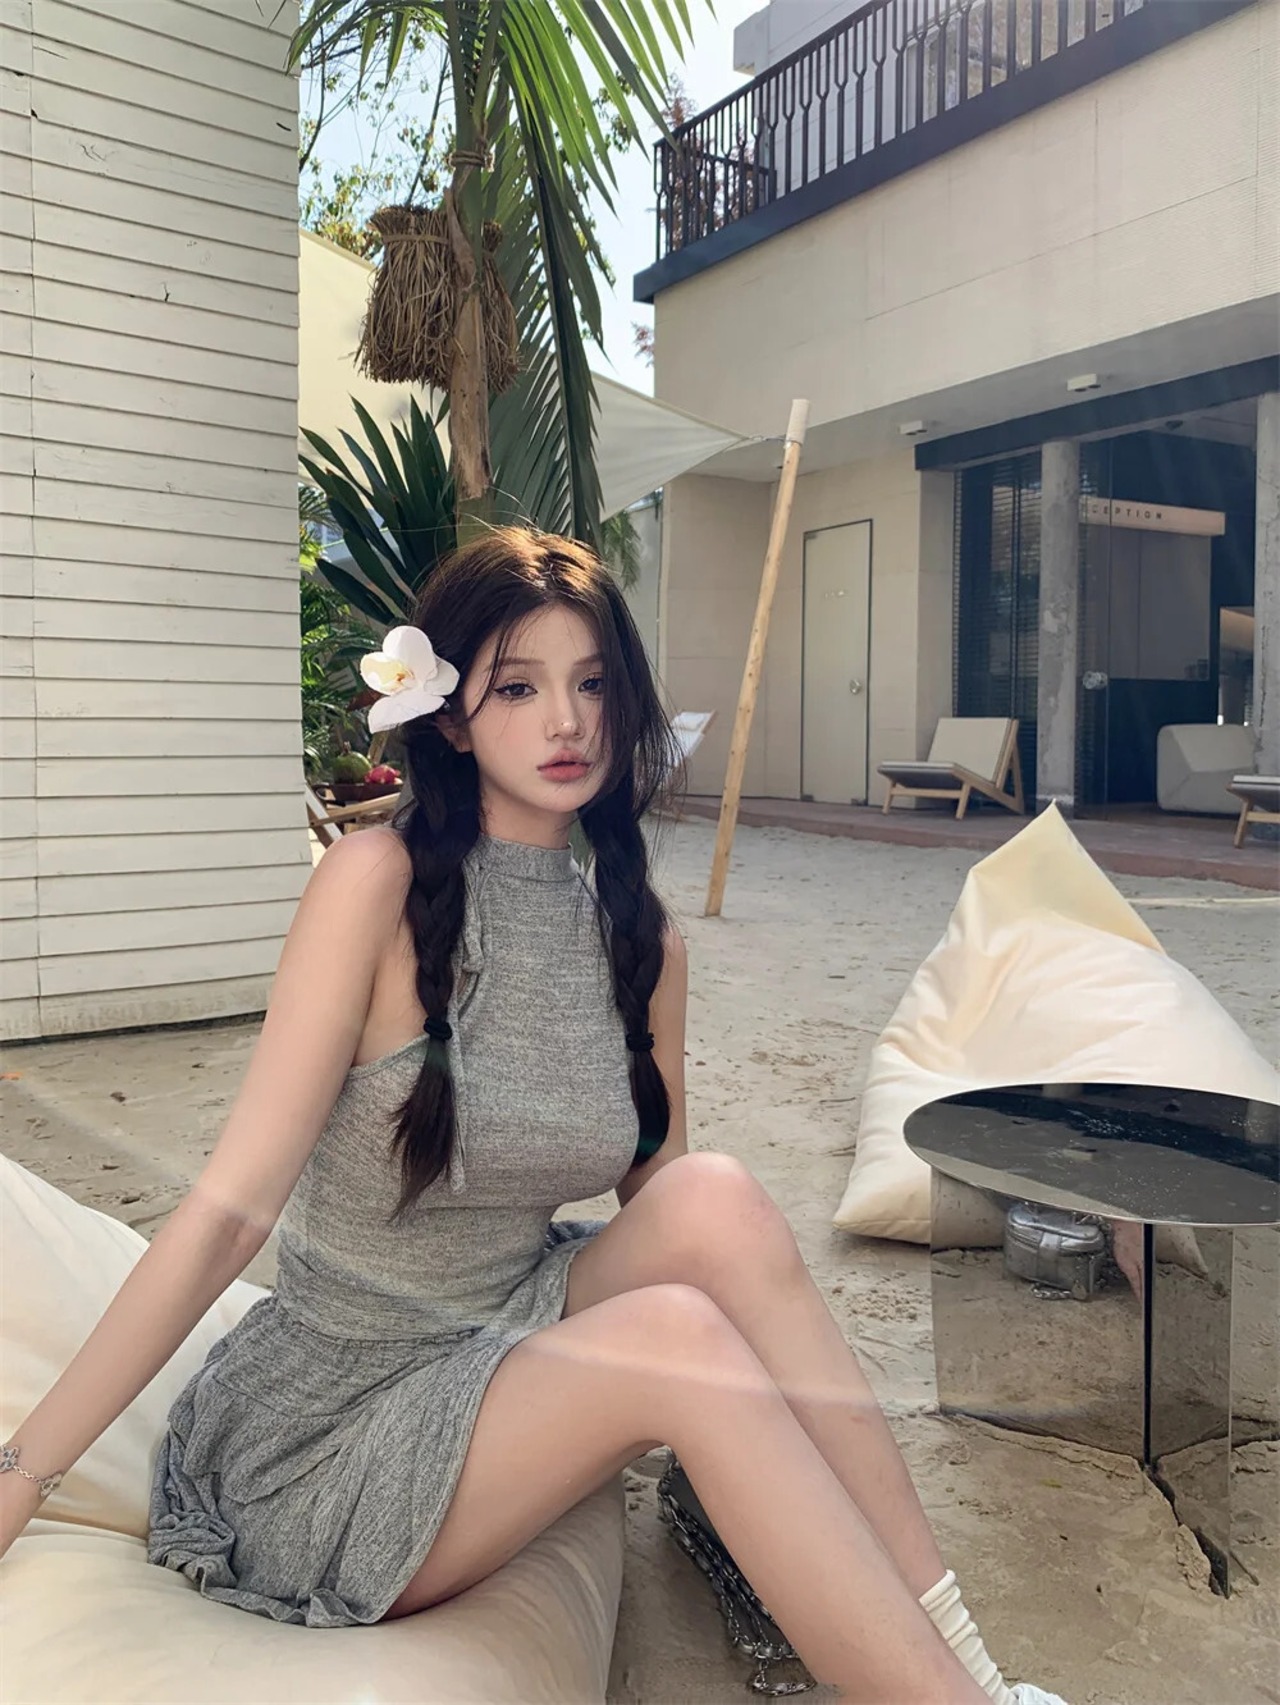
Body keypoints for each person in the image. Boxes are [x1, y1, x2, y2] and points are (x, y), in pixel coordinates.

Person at [0, 528, 1067, 1704]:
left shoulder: (640, 940)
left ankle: (972, 1671)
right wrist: (21, 1477)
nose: (567, 722)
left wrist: (763, 1438)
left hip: (500, 1331)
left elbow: (676, 1218)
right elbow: (225, 1214)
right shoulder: (372, 884)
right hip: (330, 1428)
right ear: (451, 717)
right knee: (674, 1338)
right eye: (517, 687)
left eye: (593, 683)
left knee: (713, 1197)